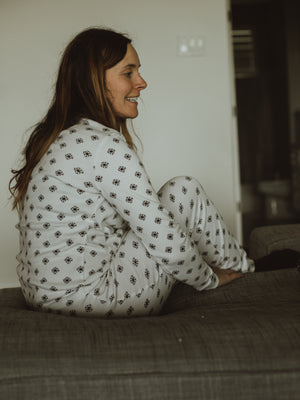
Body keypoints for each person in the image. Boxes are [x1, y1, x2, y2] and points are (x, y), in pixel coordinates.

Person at [9, 28, 299, 318]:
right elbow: (164, 238)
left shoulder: (58, 136)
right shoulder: (101, 144)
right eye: (128, 73)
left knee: (163, 206)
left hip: (43, 295)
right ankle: (245, 271)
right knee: (182, 191)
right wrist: (208, 279)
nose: (142, 82)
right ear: (93, 81)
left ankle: (242, 266)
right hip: (91, 299)